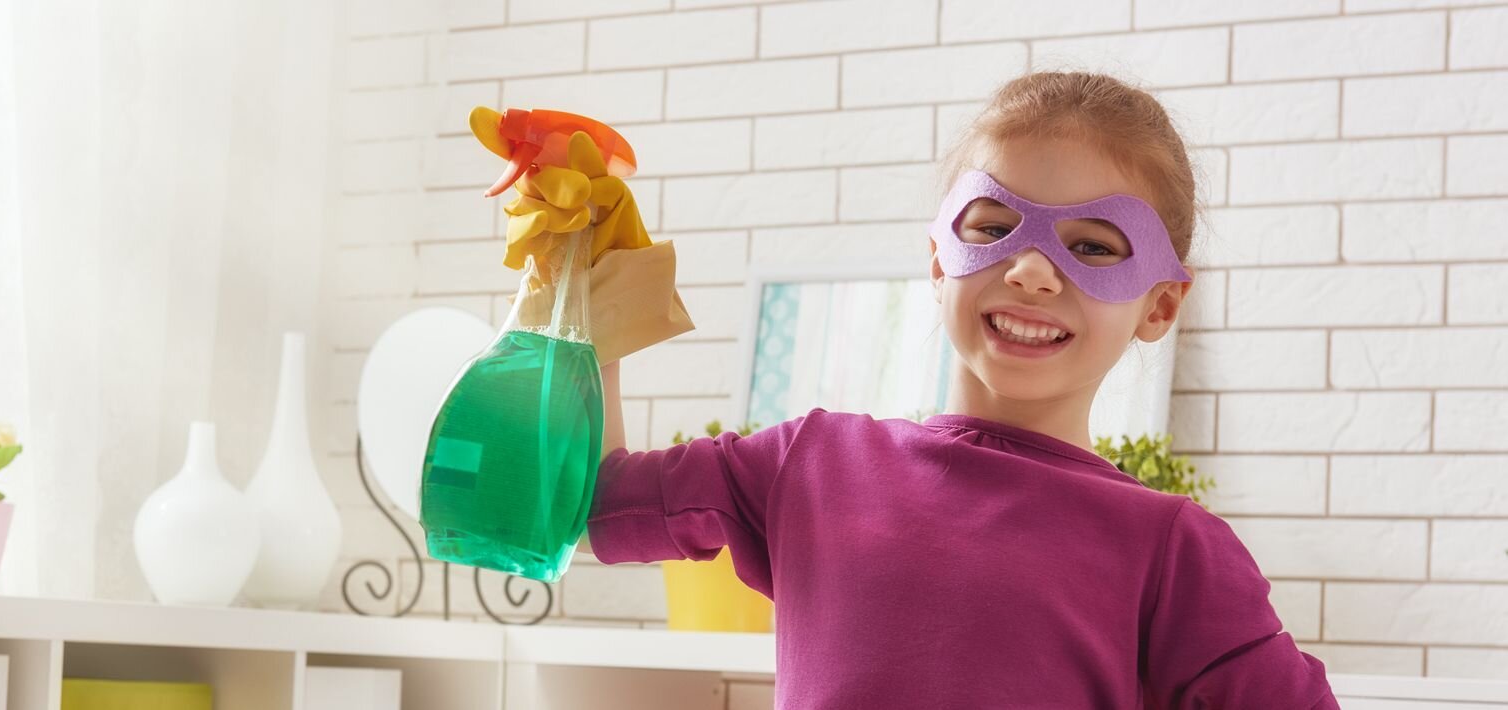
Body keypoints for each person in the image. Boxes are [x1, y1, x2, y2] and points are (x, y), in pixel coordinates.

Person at [570, 72, 1340, 708]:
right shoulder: (807, 463)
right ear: (938, 260)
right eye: (993, 225)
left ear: (1160, 304)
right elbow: (596, 506)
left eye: (1093, 246)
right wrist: (589, 291)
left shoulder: (1171, 551)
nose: (1032, 269)